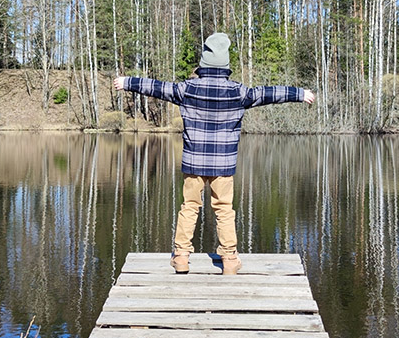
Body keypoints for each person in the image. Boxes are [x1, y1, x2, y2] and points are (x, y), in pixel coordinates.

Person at [113, 32, 315, 275]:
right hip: (223, 164)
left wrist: (127, 82)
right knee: (224, 209)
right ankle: (229, 260)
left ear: (204, 62)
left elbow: (156, 88)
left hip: (194, 163)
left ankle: (181, 258)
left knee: (189, 206)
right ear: (226, 64)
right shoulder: (238, 92)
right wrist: (299, 94)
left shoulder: (187, 89)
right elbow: (268, 93)